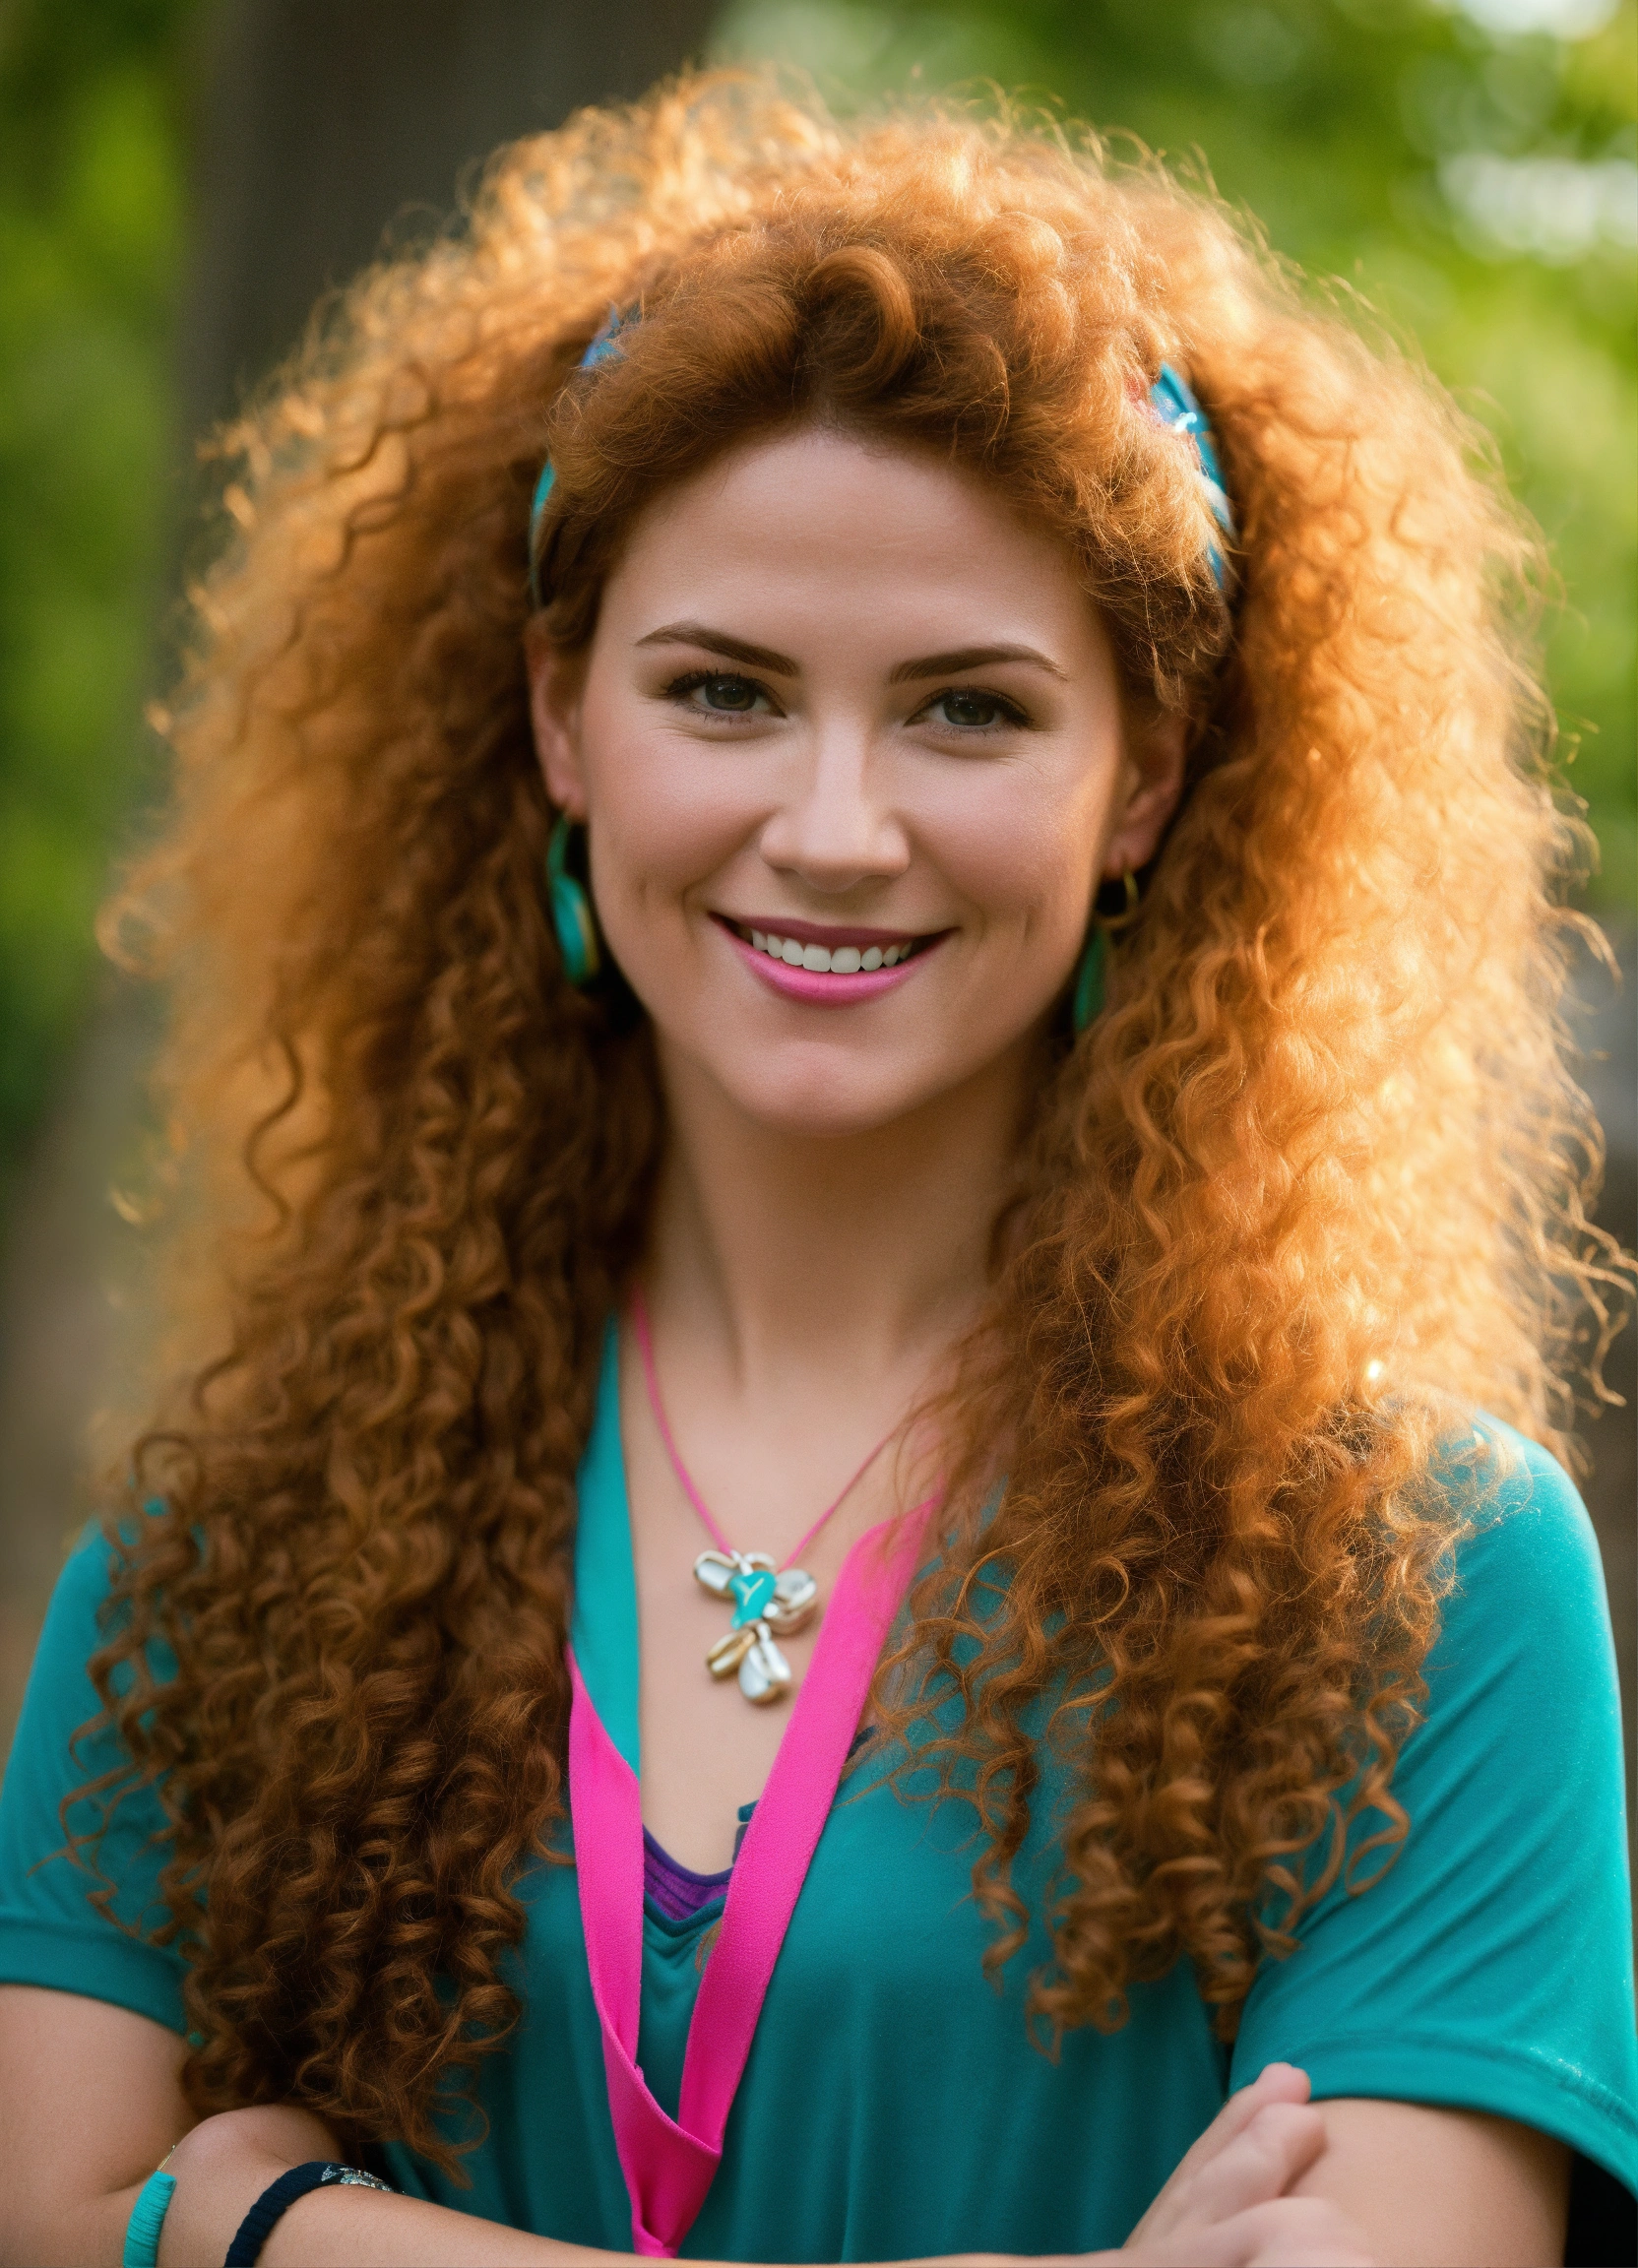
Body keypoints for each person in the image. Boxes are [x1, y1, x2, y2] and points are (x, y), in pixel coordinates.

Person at [0, 68, 1632, 2268]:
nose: (838, 827)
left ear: (1145, 778)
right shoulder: (226, 1560)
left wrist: (270, 2231)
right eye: (724, 692)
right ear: (563, 724)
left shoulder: (1412, 1574)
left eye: (969, 709)